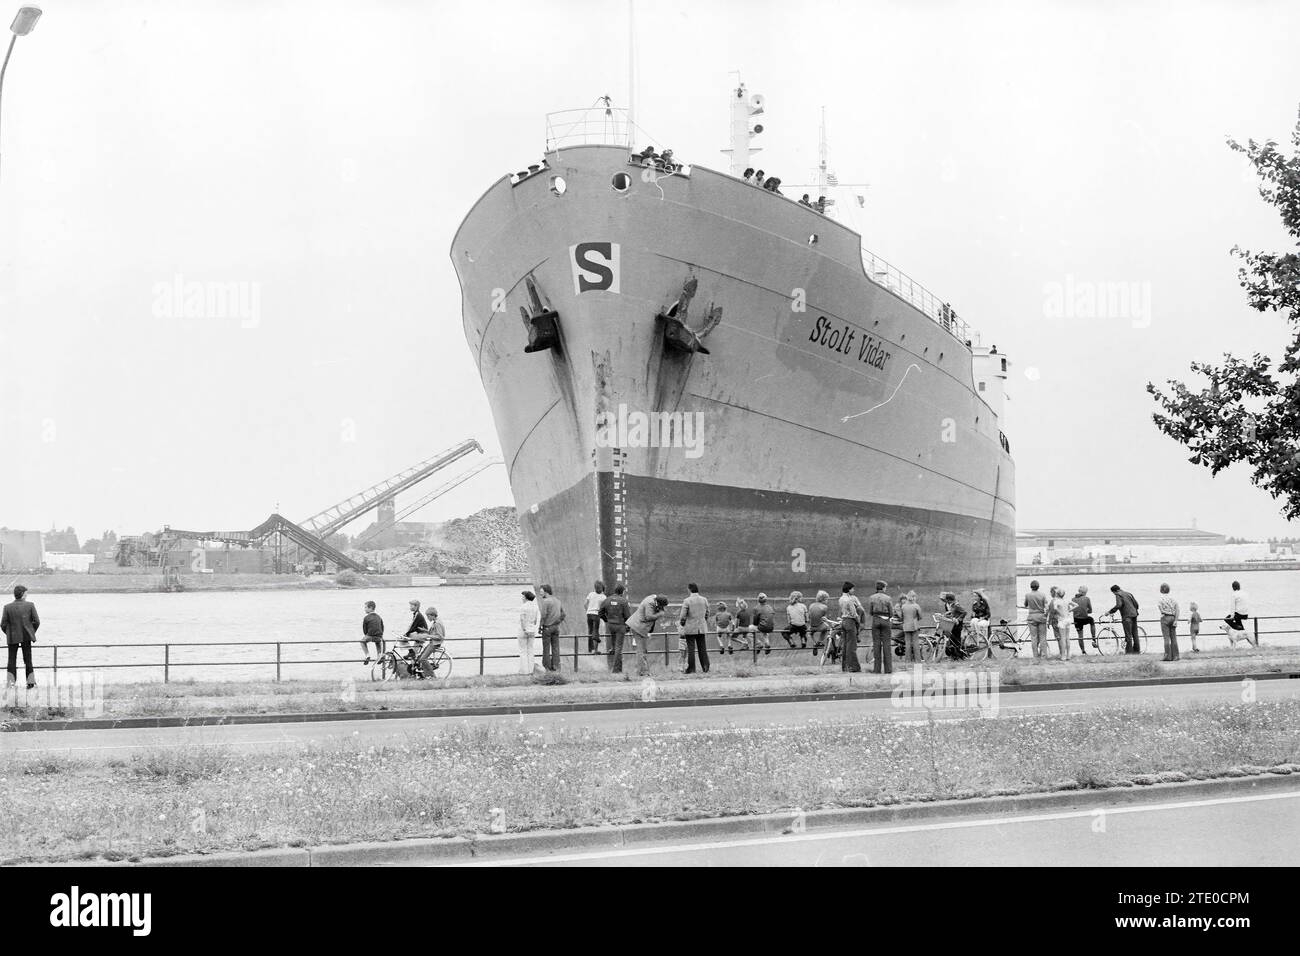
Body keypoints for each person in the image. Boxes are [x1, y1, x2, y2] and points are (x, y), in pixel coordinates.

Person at [2, 585, 40, 690]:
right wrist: (31, 632)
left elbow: (3, 624)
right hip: (26, 636)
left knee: (11, 660)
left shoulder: (7, 607)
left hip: (12, 637)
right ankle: (31, 683)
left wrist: (10, 633)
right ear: (23, 594)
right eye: (26, 593)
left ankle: (11, 683)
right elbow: (37, 622)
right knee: (28, 660)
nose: (27, 595)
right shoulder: (30, 605)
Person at [629, 593, 670, 676]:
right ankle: (641, 671)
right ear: (658, 603)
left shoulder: (653, 600)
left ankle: (642, 670)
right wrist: (659, 614)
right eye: (662, 606)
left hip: (641, 628)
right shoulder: (649, 603)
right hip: (638, 627)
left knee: (643, 650)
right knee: (641, 650)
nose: (663, 608)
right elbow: (649, 616)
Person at [679, 583, 712, 674]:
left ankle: (691, 669)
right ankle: (705, 667)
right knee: (702, 648)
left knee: (691, 649)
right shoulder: (704, 599)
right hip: (701, 627)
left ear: (689, 589)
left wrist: (682, 624)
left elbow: (682, 616)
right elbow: (708, 613)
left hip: (690, 628)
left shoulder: (687, 601)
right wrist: (703, 621)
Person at [600, 584, 632, 673]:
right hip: (620, 626)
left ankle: (614, 667)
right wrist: (628, 627)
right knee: (619, 648)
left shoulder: (607, 600)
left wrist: (607, 620)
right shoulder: (623, 601)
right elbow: (627, 616)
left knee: (614, 646)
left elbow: (600, 612)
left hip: (611, 625)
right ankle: (616, 670)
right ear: (622, 592)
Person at [866, 581, 894, 674]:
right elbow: (891, 613)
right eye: (885, 587)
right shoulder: (888, 598)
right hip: (885, 621)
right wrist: (888, 616)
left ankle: (877, 669)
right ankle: (888, 669)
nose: (886, 589)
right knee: (886, 645)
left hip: (876, 620)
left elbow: (870, 611)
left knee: (876, 645)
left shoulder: (871, 597)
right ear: (882, 588)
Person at [837, 582, 865, 673]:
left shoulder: (841, 599)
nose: (854, 590)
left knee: (845, 645)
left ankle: (844, 667)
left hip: (844, 621)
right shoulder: (849, 600)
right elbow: (854, 614)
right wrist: (859, 622)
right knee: (852, 646)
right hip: (850, 622)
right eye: (852, 589)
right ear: (849, 589)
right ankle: (854, 667)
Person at [537, 584, 566, 672]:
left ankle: (547, 667)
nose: (540, 593)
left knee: (546, 649)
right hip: (556, 628)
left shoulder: (546, 602)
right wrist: (557, 621)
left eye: (541, 592)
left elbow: (543, 616)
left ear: (546, 592)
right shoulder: (557, 601)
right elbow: (563, 614)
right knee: (555, 648)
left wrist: (540, 626)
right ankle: (556, 666)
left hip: (547, 627)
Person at [1106, 584, 1141, 654]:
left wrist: (1110, 612)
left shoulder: (1118, 595)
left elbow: (1119, 605)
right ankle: (1137, 651)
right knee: (1135, 633)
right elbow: (1136, 604)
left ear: (1114, 591)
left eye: (1113, 593)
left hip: (1127, 616)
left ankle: (1129, 652)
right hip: (1134, 615)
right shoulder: (1129, 594)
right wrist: (1134, 611)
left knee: (1128, 634)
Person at [1223, 580, 1256, 647]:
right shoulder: (1245, 593)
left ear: (1233, 588)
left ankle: (1239, 628)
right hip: (1245, 614)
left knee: (1226, 619)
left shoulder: (1234, 595)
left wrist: (1232, 616)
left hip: (1238, 614)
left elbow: (1232, 607)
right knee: (1238, 621)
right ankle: (1241, 629)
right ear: (1239, 587)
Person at [1023, 580, 1048, 659]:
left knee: (1034, 637)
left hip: (1032, 617)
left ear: (1031, 587)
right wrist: (1045, 615)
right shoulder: (1043, 595)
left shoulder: (1028, 595)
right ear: (1038, 586)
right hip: (1041, 617)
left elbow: (1025, 604)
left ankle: (1035, 656)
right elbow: (1046, 608)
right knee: (1042, 637)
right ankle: (1043, 656)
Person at [518, 590, 540, 675]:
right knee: (530, 650)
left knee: (523, 651)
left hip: (524, 630)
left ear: (526, 598)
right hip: (532, 629)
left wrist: (524, 629)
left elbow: (522, 619)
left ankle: (524, 670)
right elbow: (535, 621)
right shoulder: (535, 607)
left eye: (523, 596)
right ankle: (531, 670)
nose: (522, 598)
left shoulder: (523, 607)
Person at [939, 592, 967, 659]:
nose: (945, 601)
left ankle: (959, 655)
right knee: (951, 638)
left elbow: (964, 612)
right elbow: (951, 613)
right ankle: (953, 655)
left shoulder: (956, 605)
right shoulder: (948, 605)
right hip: (951, 623)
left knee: (957, 639)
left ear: (949, 600)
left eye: (946, 599)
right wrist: (945, 615)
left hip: (958, 624)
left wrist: (958, 619)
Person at [1069, 585, 1095, 655]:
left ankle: (1083, 651)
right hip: (1085, 618)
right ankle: (1093, 638)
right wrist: (1085, 610)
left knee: (1080, 636)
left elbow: (1072, 609)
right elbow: (1090, 611)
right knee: (1092, 620)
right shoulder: (1087, 599)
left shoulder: (1073, 599)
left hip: (1076, 619)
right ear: (1085, 592)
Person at [1157, 583, 1180, 662]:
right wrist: (1176, 620)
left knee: (1166, 638)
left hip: (1165, 618)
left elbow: (1161, 610)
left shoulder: (1160, 599)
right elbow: (1177, 609)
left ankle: (1167, 656)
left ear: (1161, 590)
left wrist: (1165, 612)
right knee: (1173, 637)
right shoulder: (1173, 598)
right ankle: (1176, 656)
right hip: (1173, 617)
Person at [900, 591, 923, 663]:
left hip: (906, 626)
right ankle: (918, 660)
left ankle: (907, 660)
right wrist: (916, 619)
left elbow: (901, 617)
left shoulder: (903, 606)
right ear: (913, 597)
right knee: (916, 643)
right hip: (914, 626)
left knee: (907, 644)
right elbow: (920, 616)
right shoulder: (916, 606)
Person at [1048, 586, 1070, 660]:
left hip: (1057, 620)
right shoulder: (1064, 601)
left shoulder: (1053, 601)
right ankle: (1067, 654)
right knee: (1065, 638)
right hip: (1065, 619)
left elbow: (1052, 612)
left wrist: (1049, 621)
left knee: (1059, 638)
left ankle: (1062, 654)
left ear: (1053, 593)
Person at [584, 581, 606, 654]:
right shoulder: (603, 597)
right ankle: (595, 650)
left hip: (589, 614)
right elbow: (604, 608)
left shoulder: (591, 594)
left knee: (590, 631)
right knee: (595, 631)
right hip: (596, 614)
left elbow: (585, 604)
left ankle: (590, 649)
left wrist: (588, 610)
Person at [360, 600, 384, 665]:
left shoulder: (366, 618)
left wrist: (367, 635)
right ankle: (379, 655)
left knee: (362, 641)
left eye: (365, 607)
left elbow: (365, 630)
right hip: (379, 636)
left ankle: (367, 655)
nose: (364, 609)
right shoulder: (379, 617)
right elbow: (382, 627)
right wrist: (380, 635)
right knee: (378, 642)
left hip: (371, 635)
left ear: (370, 608)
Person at [808, 590, 832, 656]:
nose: (827, 601)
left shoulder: (811, 605)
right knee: (827, 629)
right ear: (823, 599)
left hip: (812, 626)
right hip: (820, 626)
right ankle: (820, 642)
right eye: (827, 599)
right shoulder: (824, 607)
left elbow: (809, 617)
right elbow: (825, 619)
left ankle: (815, 643)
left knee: (810, 633)